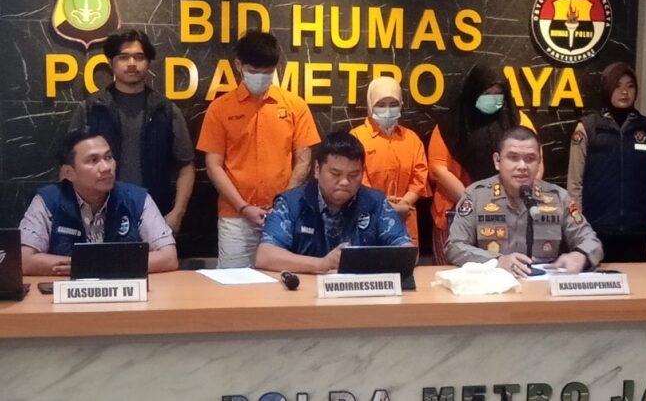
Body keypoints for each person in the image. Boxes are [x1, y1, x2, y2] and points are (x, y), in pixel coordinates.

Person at [197, 30, 321, 268]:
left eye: (267, 72)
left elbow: (304, 160)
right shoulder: (219, 108)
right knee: (234, 284)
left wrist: (282, 205)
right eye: (254, 71)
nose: (261, 77)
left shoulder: (295, 106)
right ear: (239, 66)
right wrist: (243, 207)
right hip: (236, 218)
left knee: (281, 282)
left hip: (283, 216)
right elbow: (213, 166)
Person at [70, 29, 195, 235]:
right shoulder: (91, 108)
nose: (131, 63)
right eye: (123, 57)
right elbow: (69, 164)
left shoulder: (166, 110)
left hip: (154, 212)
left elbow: (186, 165)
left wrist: (177, 213)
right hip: (98, 213)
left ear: (148, 63)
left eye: (139, 57)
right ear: (111, 62)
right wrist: (72, 211)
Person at [446, 126, 602, 277]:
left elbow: (591, 240)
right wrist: (496, 261)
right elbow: (454, 246)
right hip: (494, 285)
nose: (522, 166)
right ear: (497, 161)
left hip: (543, 285)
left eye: (530, 159)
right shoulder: (476, 195)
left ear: (539, 162)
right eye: (513, 158)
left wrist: (581, 255)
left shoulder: (558, 197)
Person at [19, 128, 178, 276]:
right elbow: (23, 260)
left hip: (122, 294)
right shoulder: (49, 200)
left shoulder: (136, 199)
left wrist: (92, 265)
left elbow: (169, 257)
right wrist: (108, 265)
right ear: (69, 173)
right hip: (69, 294)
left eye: (108, 157)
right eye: (93, 160)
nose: (106, 167)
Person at [430, 64, 544, 265]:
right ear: (473, 92)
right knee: (456, 276)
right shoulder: (451, 123)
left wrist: (513, 199)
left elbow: (536, 161)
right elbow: (439, 169)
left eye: (498, 94)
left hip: (509, 213)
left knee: (505, 271)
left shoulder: (517, 119)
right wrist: (475, 203)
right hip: (457, 212)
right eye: (487, 93)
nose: (493, 99)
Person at [256, 132, 412, 273]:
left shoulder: (375, 202)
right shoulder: (291, 203)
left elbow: (407, 251)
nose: (344, 182)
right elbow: (265, 255)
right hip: (305, 290)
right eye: (335, 173)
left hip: (359, 290)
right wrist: (322, 264)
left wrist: (361, 264)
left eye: (353, 175)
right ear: (317, 170)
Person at [567, 62, 646, 261]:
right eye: (617, 86)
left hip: (636, 231)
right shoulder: (588, 128)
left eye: (630, 86)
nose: (624, 92)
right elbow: (575, 184)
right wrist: (577, 229)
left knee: (636, 281)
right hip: (594, 230)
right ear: (607, 88)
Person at [349, 76, 431, 246]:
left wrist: (405, 203)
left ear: (401, 104)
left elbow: (420, 176)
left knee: (404, 259)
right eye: (381, 104)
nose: (387, 109)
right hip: (368, 216)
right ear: (370, 105)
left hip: (405, 215)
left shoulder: (411, 138)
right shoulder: (356, 137)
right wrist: (385, 206)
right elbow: (356, 179)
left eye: (393, 104)